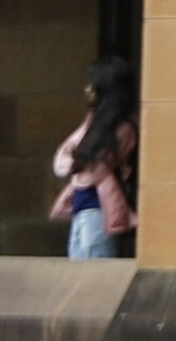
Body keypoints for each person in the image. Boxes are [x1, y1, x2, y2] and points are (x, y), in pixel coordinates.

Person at [49, 55, 138, 263]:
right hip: (82, 209)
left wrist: (78, 160)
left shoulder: (124, 126)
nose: (87, 89)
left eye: (92, 84)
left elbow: (93, 170)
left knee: (96, 272)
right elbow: (65, 158)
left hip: (98, 210)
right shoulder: (94, 122)